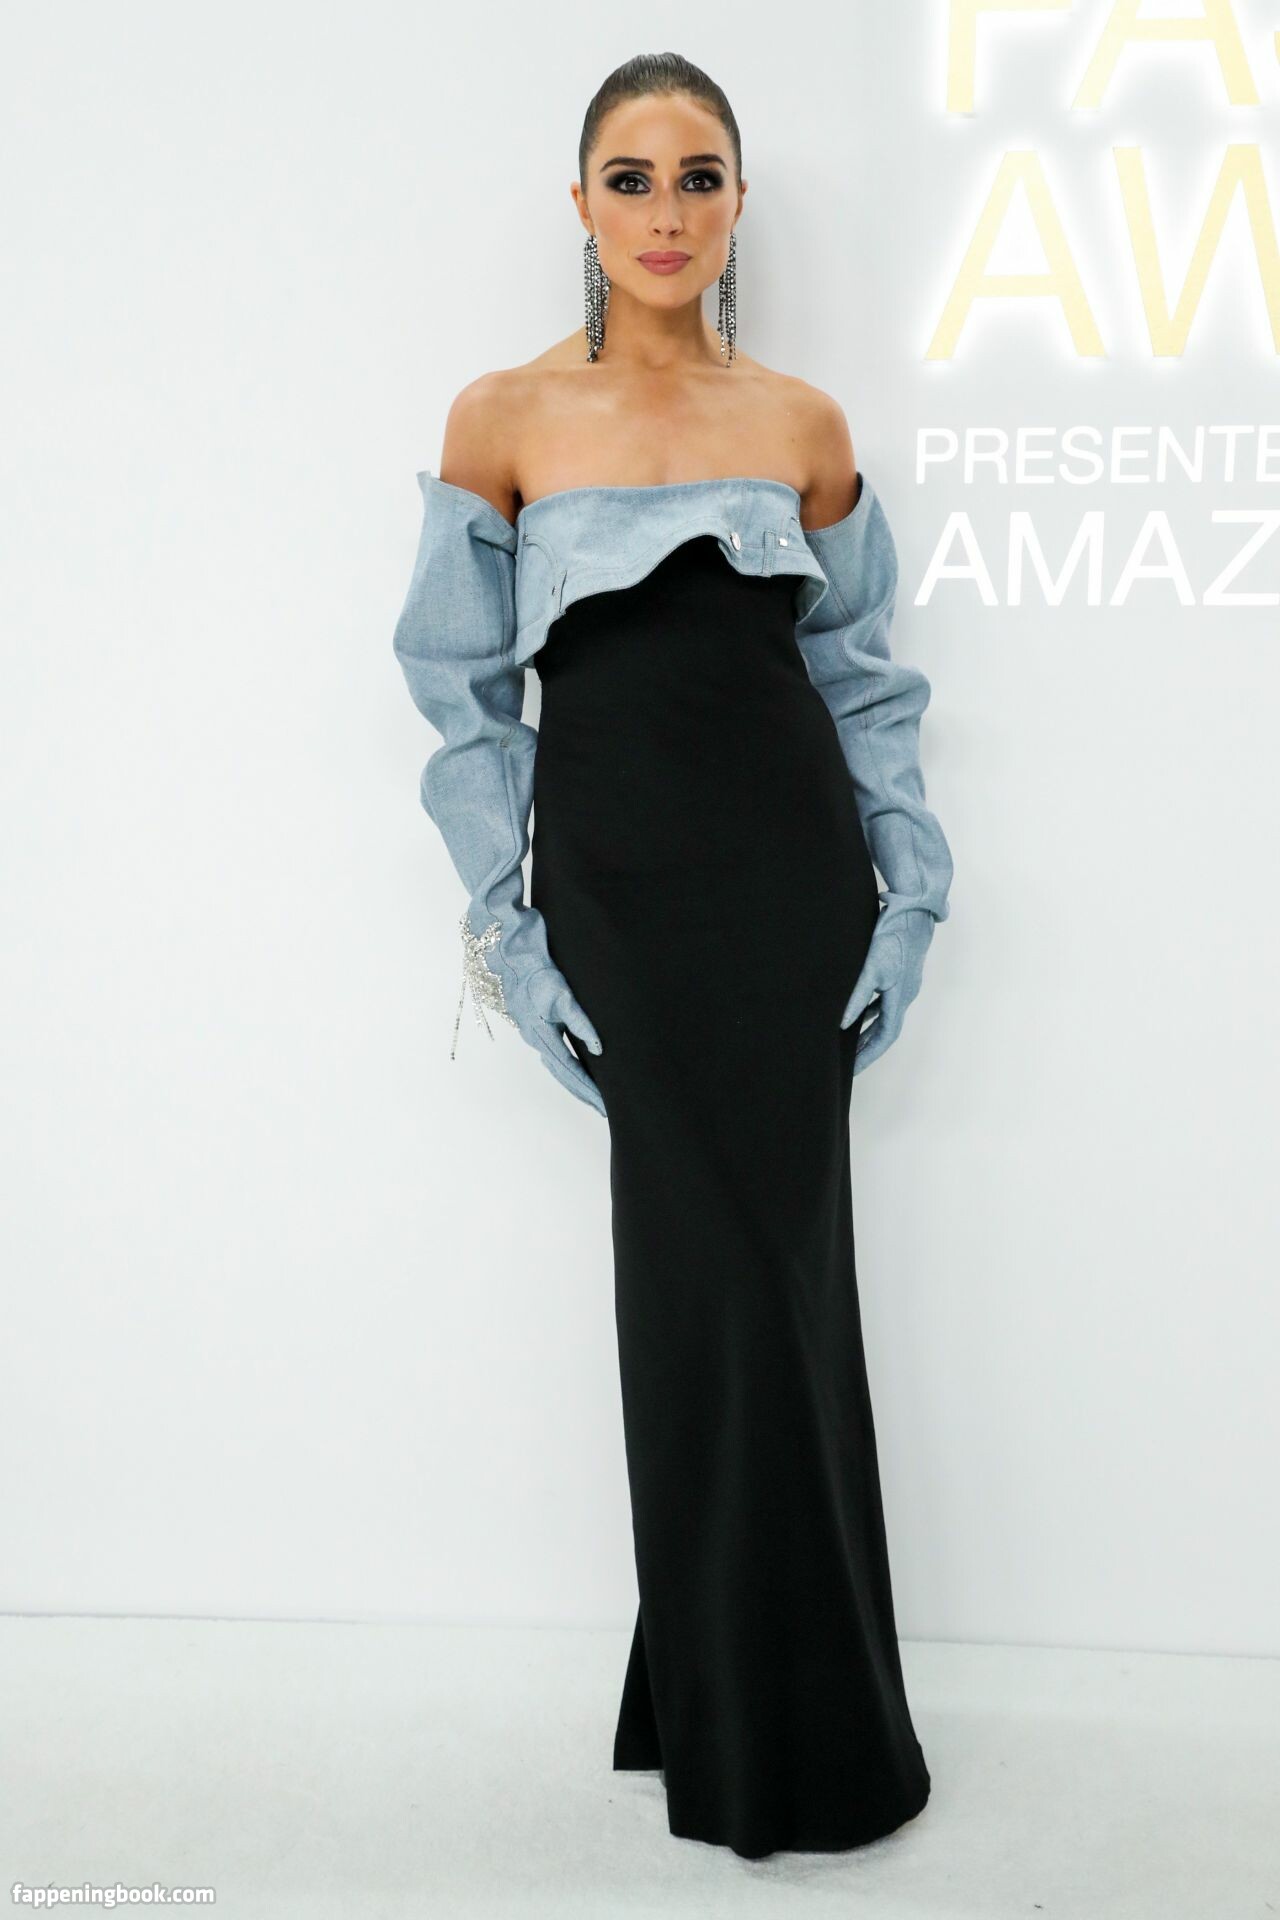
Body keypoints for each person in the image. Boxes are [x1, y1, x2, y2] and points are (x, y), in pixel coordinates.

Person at [392, 51, 954, 1861]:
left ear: (736, 204)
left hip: (792, 893)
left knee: (783, 1290)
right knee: (696, 1296)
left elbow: (863, 682)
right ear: (581, 205)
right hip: (622, 902)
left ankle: (751, 1710)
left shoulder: (800, 422)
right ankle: (741, 1714)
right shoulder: (501, 418)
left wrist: (912, 891)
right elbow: (462, 699)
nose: (665, 211)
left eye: (698, 176)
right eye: (629, 179)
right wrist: (509, 928)